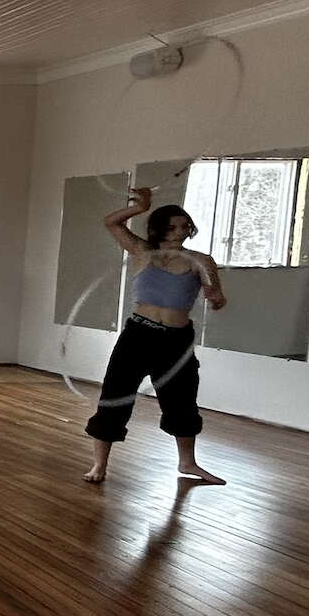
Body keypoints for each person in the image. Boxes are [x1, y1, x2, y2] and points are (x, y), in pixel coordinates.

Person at [83, 186, 227, 486]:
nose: (181, 231)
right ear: (160, 227)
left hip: (176, 341)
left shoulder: (201, 260)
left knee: (182, 400)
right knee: (115, 396)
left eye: (185, 226)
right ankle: (99, 465)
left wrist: (215, 299)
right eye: (174, 226)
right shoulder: (143, 252)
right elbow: (111, 222)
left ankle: (187, 463)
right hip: (138, 335)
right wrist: (139, 207)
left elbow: (216, 296)